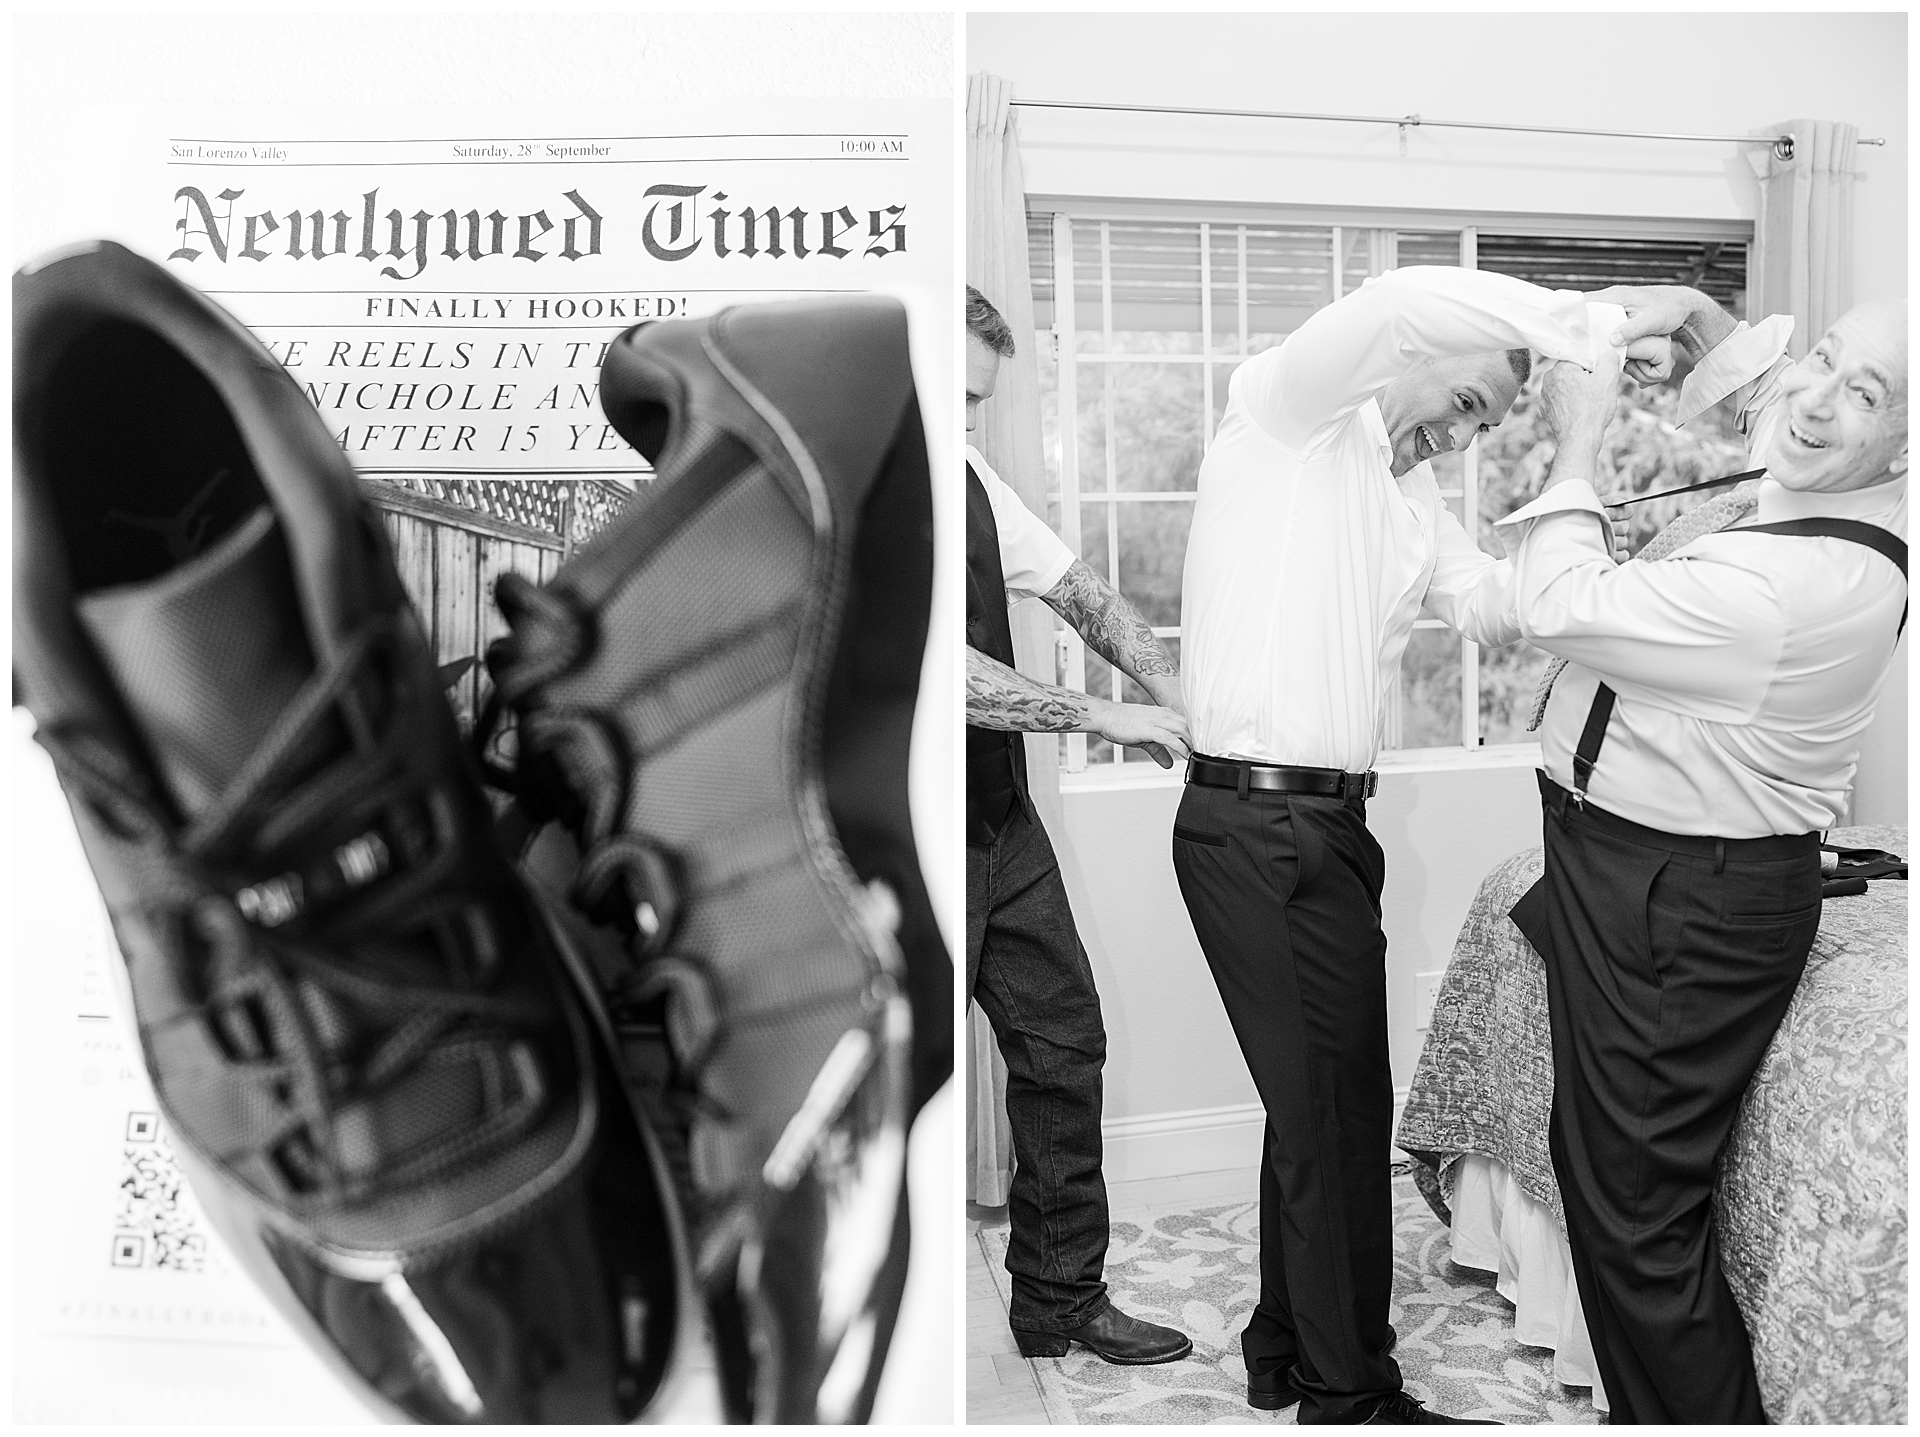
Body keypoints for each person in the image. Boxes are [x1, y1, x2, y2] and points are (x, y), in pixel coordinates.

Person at [1171, 265, 1642, 1425]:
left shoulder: (1413, 505)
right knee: (1328, 1113)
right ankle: (1350, 1391)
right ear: (1421, 361)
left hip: (1331, 826)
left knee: (1331, 1102)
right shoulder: (1285, 417)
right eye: (1468, 396)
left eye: (1487, 420)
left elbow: (1500, 610)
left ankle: (1285, 1347)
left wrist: (1577, 499)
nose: (1462, 427)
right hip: (1253, 821)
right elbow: (1397, 302)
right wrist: (1594, 327)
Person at [1496, 288, 1907, 1425]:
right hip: (1626, 864)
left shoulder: (1793, 587)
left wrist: (1577, 431)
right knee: (1604, 1181)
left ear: (1908, 443)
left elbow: (1557, 602)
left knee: (1636, 1215)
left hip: (1676, 894)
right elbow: (1772, 397)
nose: (1815, 399)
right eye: (1821, 359)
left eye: (1862, 393)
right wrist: (1700, 314)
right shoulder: (1830, 483)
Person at [963, 284, 1193, 1365]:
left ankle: (1059, 1302)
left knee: (1063, 1043)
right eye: (952, 397)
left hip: (995, 819)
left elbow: (1080, 594)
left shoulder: (965, 475)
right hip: (885, 837)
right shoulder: (847, 485)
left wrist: (1183, 695)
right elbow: (929, 671)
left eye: (976, 405)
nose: (963, 423)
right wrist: (1103, 714)